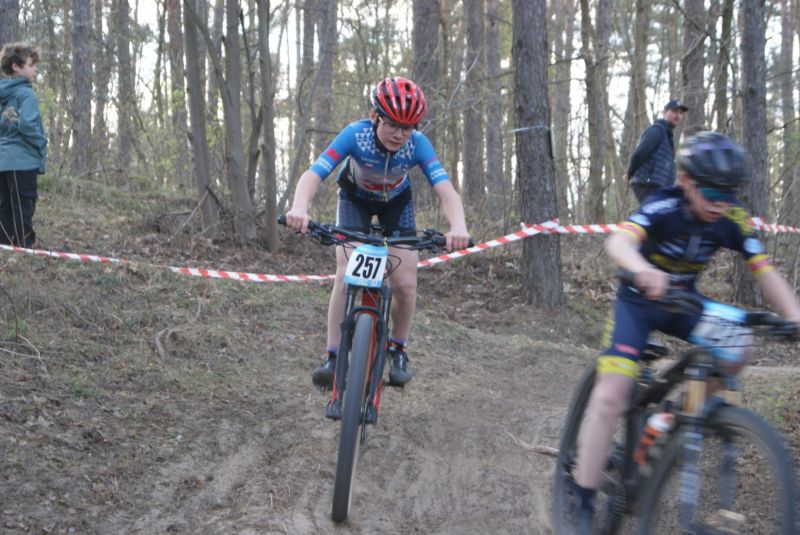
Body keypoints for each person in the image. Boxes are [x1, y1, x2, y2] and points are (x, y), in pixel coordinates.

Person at [568, 131, 800, 533]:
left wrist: (794, 315)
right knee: (611, 396)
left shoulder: (732, 218)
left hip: (684, 304)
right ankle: (583, 501)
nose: (720, 202)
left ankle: (679, 414)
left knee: (741, 346)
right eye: (710, 192)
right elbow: (618, 242)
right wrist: (642, 269)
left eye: (729, 193)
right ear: (686, 180)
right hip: (638, 301)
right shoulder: (663, 205)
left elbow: (764, 272)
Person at [285, 76, 470, 389]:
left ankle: (398, 348)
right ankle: (333, 356)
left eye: (407, 127)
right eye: (393, 124)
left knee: (405, 283)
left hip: (396, 204)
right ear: (375, 116)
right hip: (354, 200)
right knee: (346, 274)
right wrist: (299, 208)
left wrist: (459, 227)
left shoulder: (418, 144)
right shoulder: (355, 135)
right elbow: (314, 174)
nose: (400, 134)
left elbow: (445, 190)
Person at [0, 42, 47, 248]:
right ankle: (24, 249)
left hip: (3, 161)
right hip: (23, 162)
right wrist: (41, 141)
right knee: (23, 206)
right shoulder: (26, 93)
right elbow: (27, 124)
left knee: (5, 208)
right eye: (31, 65)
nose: (35, 69)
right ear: (16, 67)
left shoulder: (3, 95)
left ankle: (5, 249)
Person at [623, 99, 688, 204]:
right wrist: (630, 173)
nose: (678, 116)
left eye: (681, 113)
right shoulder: (657, 130)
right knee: (652, 211)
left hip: (658, 187)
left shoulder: (667, 136)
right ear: (664, 112)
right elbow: (640, 153)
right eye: (674, 111)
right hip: (647, 184)